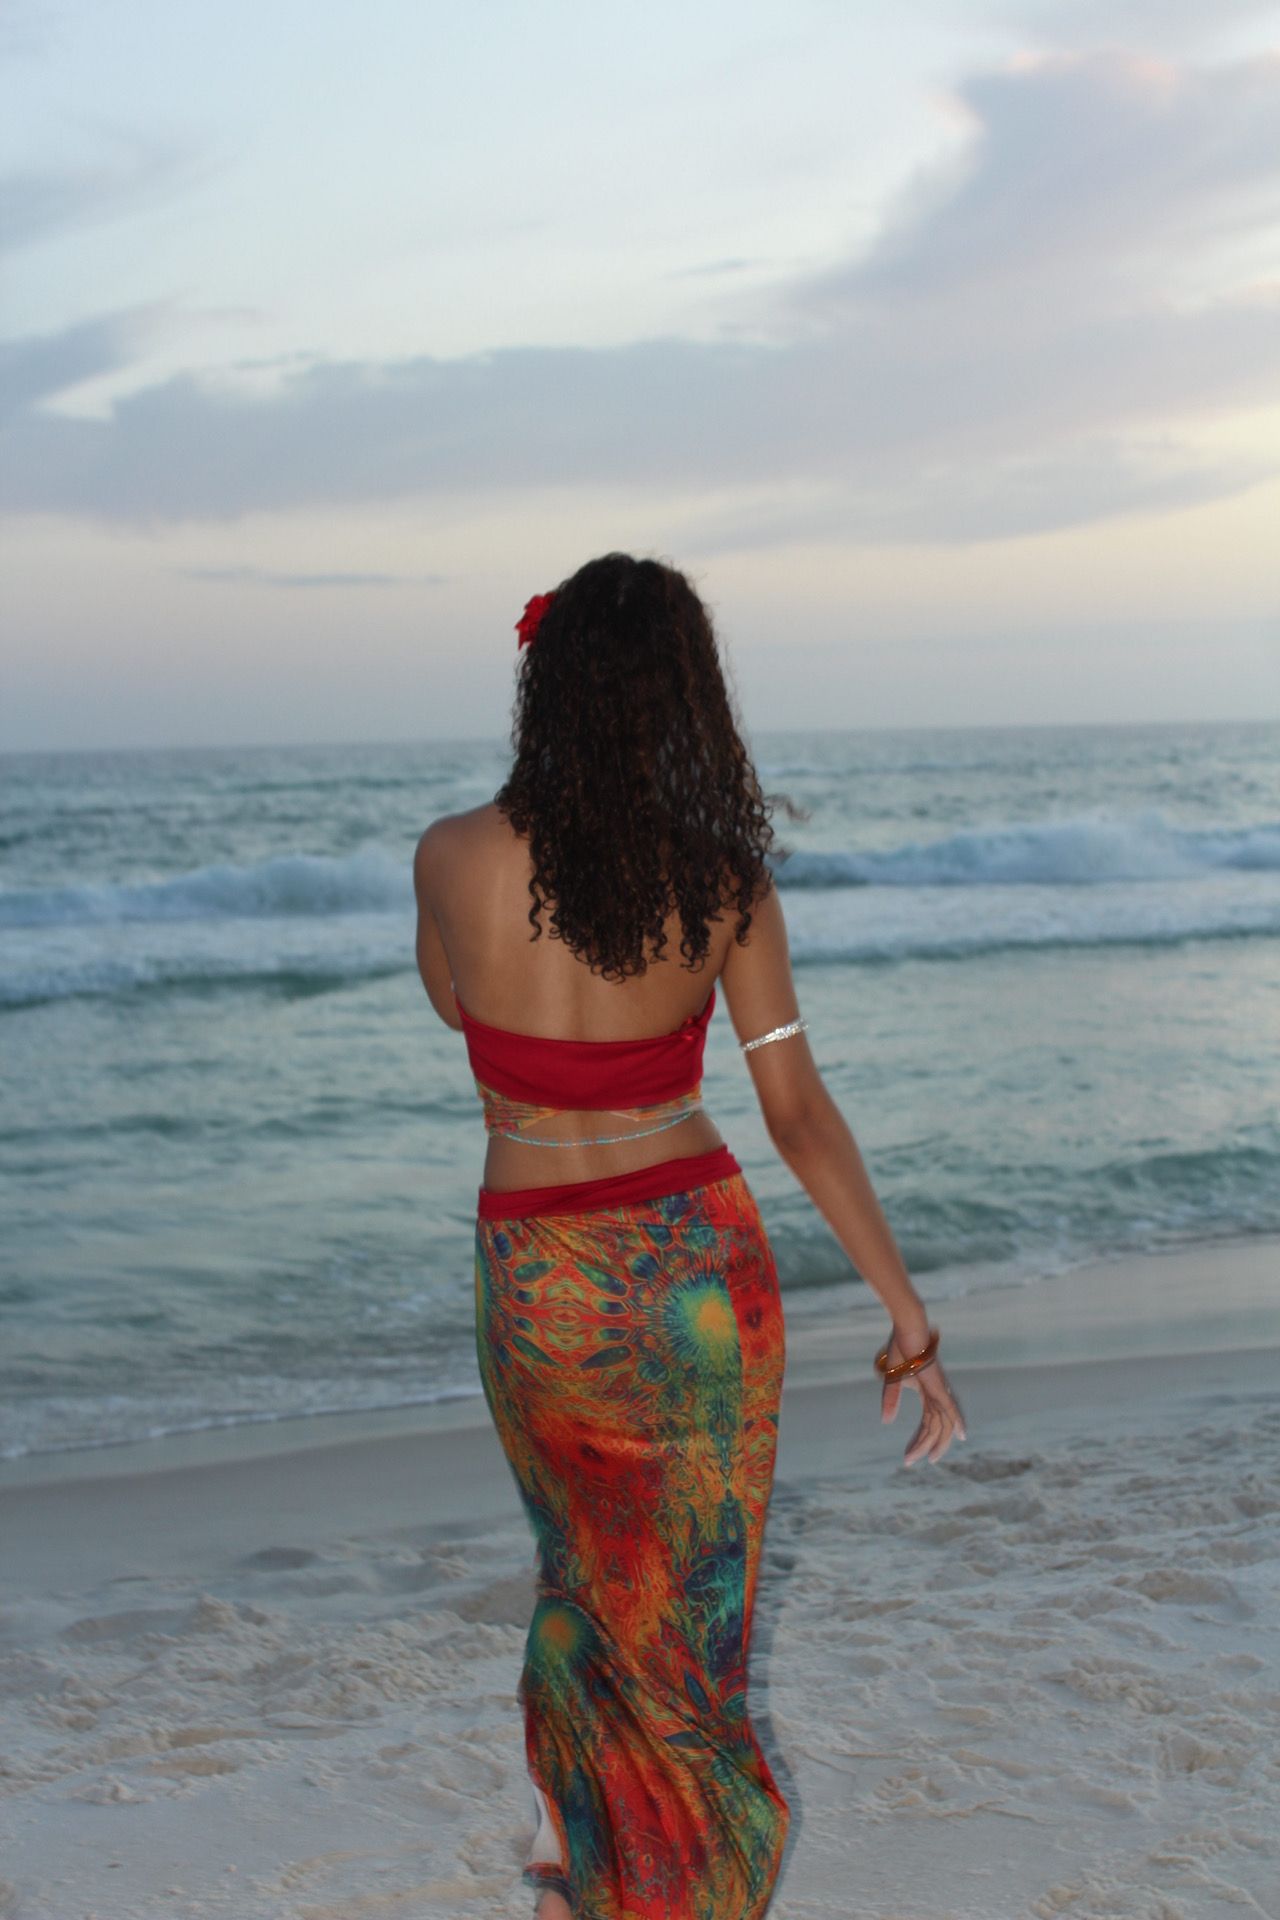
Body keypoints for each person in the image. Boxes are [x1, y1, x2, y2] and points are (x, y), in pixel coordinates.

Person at [412, 552, 966, 1920]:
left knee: (583, 1578)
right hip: (697, 1283)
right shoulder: (722, 881)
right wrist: (908, 1318)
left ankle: (574, 1870)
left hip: (536, 1281)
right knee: (692, 1617)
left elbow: (456, 1013)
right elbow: (797, 1111)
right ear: (682, 701)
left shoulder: (451, 859)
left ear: (544, 685)